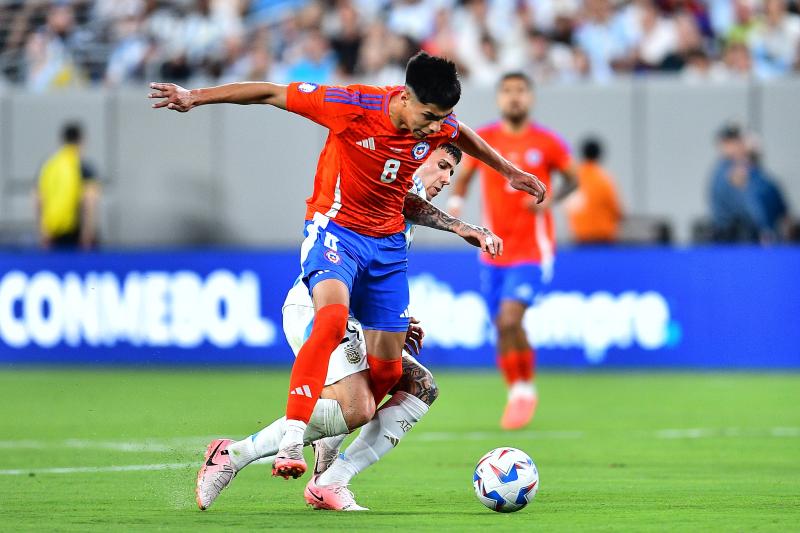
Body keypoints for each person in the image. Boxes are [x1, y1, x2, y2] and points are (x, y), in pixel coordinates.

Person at [150, 52, 545, 487]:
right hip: (334, 242)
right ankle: (282, 445)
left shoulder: (428, 144)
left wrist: (508, 173)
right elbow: (269, 92)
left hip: (378, 260)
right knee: (339, 342)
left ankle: (323, 473)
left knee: (396, 379)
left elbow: (459, 133)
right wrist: (196, 97)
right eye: (431, 120)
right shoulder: (353, 105)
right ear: (406, 97)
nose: (436, 132)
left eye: (443, 121)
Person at [196, 145, 481, 512]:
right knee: (357, 406)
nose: (445, 178)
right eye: (441, 166)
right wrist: (460, 225)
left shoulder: (414, 200)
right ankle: (232, 455)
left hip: (357, 316)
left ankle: (331, 480)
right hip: (316, 306)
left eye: (451, 173)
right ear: (417, 155)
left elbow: (375, 270)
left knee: (421, 387)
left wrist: (390, 321)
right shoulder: (390, 186)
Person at [447, 71, 577, 430]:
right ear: (499, 98)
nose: (514, 97)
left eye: (520, 91)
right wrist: (457, 199)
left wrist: (550, 203)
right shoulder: (485, 138)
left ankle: (522, 390)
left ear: (530, 97)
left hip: (533, 251)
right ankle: (517, 387)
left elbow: (574, 178)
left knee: (509, 319)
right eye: (507, 91)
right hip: (493, 250)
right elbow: (467, 172)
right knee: (502, 326)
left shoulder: (547, 142)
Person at [710, 122, 789, 243]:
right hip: (736, 242)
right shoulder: (726, 172)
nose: (739, 145)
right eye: (734, 141)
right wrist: (765, 229)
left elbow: (781, 209)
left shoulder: (757, 174)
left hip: (757, 241)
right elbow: (748, 207)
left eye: (740, 140)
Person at [35, 122, 100, 250]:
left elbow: (38, 199)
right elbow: (89, 200)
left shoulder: (49, 166)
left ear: (62, 140)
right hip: (76, 233)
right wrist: (87, 234)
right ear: (82, 140)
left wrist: (43, 232)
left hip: (52, 232)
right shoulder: (83, 166)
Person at [564, 137, 624, 244]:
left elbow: (569, 206)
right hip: (603, 239)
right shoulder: (604, 179)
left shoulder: (574, 178)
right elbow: (617, 211)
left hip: (579, 237)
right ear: (599, 155)